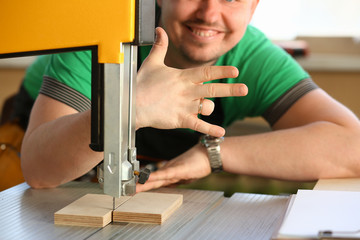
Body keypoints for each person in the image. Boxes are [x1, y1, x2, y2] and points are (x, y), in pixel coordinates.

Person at [14, 0, 360, 190]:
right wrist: (127, 110)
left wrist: (211, 154)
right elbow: (40, 172)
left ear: (253, 7)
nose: (209, 13)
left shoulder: (252, 56)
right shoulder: (101, 35)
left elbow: (352, 146)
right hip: (32, 139)